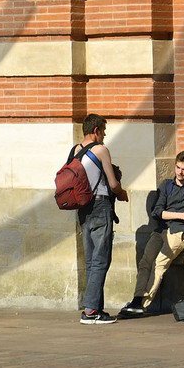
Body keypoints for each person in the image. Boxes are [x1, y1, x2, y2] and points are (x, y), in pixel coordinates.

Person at [119, 150, 184, 317]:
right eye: (178, 167)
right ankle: (136, 299)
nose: (180, 172)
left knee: (159, 263)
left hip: (181, 233)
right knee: (145, 262)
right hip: (161, 230)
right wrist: (182, 215)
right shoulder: (166, 185)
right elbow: (157, 212)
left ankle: (142, 304)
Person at [71, 114, 128, 324]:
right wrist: (122, 193)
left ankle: (95, 309)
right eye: (103, 131)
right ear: (96, 130)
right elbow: (113, 184)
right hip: (100, 206)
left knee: (91, 261)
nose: (104, 135)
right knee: (101, 259)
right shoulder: (101, 150)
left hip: (82, 208)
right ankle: (90, 311)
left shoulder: (75, 151)